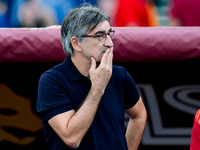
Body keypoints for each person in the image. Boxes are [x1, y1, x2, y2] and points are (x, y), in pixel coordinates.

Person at [36, 4, 147, 150]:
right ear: (76, 43)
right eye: (100, 36)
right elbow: (72, 138)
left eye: (109, 34)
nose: (109, 43)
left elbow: (139, 114)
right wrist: (98, 87)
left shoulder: (119, 75)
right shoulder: (52, 81)